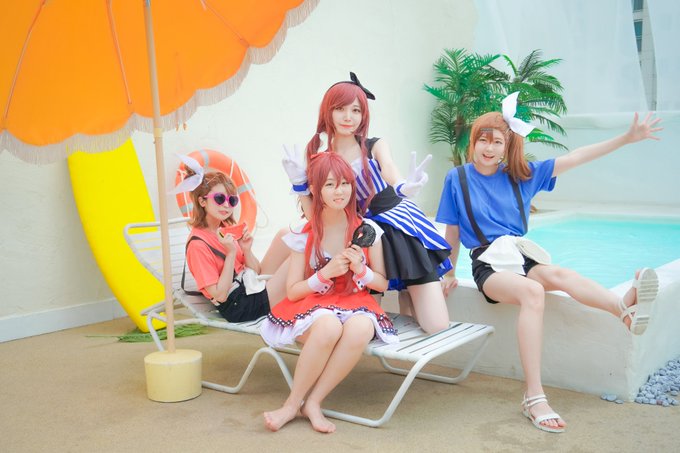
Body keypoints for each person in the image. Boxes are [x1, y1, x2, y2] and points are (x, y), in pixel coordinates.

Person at [435, 92, 663, 433]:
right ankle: (534, 396)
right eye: (483, 140)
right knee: (533, 292)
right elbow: (451, 231)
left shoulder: (521, 174)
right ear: (473, 142)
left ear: (507, 147)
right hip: (488, 264)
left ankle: (623, 310)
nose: (489, 148)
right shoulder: (458, 178)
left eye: (497, 142)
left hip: (523, 256)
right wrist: (448, 272)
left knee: (560, 274)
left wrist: (626, 138)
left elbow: (576, 157)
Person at [282, 72, 453, 334]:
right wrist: (299, 184)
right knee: (368, 327)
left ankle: (409, 292)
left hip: (399, 227)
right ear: (327, 111)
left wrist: (402, 186)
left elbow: (389, 167)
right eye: (340, 109)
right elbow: (315, 216)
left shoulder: (374, 145)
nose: (348, 117)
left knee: (437, 325)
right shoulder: (322, 159)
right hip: (363, 236)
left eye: (356, 110)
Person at [260, 152, 398, 433]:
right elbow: (293, 291)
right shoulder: (303, 231)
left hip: (355, 302)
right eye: (331, 185)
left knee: (361, 328)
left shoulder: (368, 230)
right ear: (315, 189)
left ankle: (314, 402)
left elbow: (382, 284)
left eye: (345, 183)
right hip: (311, 306)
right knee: (328, 326)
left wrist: (361, 270)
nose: (340, 192)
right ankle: (291, 404)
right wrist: (325, 274)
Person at [174, 155, 287, 322]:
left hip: (251, 285)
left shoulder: (225, 229)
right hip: (239, 305)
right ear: (202, 201)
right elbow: (219, 295)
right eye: (219, 199)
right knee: (295, 261)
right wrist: (231, 253)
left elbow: (256, 271)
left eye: (232, 200)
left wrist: (246, 250)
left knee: (286, 235)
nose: (226, 205)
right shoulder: (197, 245)